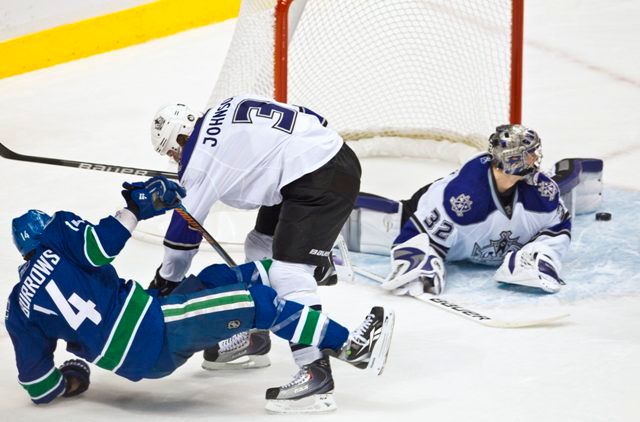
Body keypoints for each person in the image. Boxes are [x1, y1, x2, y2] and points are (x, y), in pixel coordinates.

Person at [5, 177, 394, 414]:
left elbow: (38, 386)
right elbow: (98, 247)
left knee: (220, 278)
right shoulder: (57, 236)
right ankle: (351, 348)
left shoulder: (16, 308)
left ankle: (302, 270)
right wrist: (134, 208)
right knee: (255, 303)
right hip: (153, 330)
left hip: (144, 342)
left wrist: (71, 379)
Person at [148, 94, 362, 408]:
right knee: (259, 245)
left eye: (172, 150)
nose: (175, 159)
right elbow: (313, 117)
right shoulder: (228, 104)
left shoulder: (200, 162)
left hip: (317, 178)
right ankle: (255, 335)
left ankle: (314, 372)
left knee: (288, 272)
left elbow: (182, 235)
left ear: (182, 136)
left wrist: (166, 281)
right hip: (318, 164)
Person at [340, 124, 582, 295]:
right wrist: (418, 260)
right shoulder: (461, 199)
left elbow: (558, 224)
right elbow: (416, 233)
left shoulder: (540, 189)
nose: (535, 159)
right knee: (397, 216)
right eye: (529, 155)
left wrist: (542, 252)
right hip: (421, 206)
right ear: (512, 160)